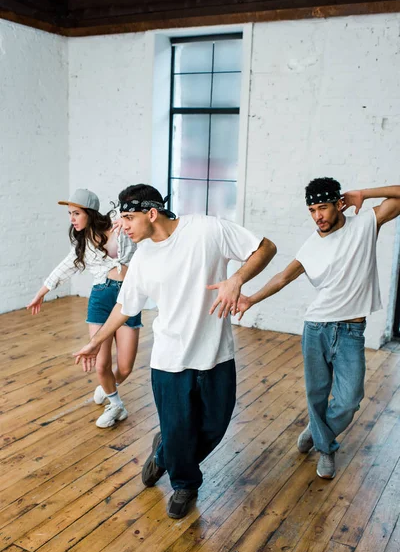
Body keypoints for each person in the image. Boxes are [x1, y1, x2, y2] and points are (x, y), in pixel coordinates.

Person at [73, 183, 277, 518]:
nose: (121, 226)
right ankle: (185, 484)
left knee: (214, 425)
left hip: (216, 354)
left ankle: (164, 454)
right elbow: (125, 306)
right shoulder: (141, 260)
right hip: (168, 359)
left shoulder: (207, 230)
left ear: (151, 213)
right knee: (180, 425)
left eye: (128, 217)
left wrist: (237, 278)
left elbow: (265, 248)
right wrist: (96, 341)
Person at [236, 178, 400, 479]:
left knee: (350, 399)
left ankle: (316, 431)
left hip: (351, 331)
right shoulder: (311, 245)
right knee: (317, 394)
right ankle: (326, 449)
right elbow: (283, 278)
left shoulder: (365, 225)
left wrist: (363, 193)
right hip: (316, 328)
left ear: (339, 204)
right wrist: (251, 299)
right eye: (312, 210)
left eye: (322, 207)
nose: (317, 217)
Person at [27, 188, 142, 428]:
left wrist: (124, 217)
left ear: (89, 212)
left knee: (125, 366)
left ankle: (108, 388)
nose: (72, 219)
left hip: (128, 296)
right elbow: (63, 268)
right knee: (101, 364)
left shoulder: (118, 223)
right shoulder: (83, 242)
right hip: (101, 298)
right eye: (70, 214)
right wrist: (41, 293)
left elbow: (131, 214)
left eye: (76, 213)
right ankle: (116, 404)